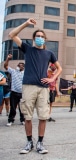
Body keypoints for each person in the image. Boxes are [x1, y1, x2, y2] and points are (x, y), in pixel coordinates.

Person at [9, 18, 62, 154]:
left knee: (43, 116)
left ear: (45, 39)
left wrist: (52, 79)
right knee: (27, 116)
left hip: (43, 88)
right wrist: (26, 23)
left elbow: (59, 68)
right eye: (37, 36)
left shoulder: (49, 53)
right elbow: (12, 35)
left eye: (42, 37)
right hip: (28, 86)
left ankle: (40, 143)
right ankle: (29, 142)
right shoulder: (28, 49)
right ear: (33, 38)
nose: (40, 38)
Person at [4, 54, 25, 126]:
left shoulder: (25, 73)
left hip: (22, 93)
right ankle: (10, 120)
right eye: (18, 65)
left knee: (22, 108)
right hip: (14, 92)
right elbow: (5, 66)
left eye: (21, 65)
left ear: (23, 67)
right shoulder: (13, 71)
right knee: (13, 108)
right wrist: (8, 59)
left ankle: (23, 120)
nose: (19, 66)